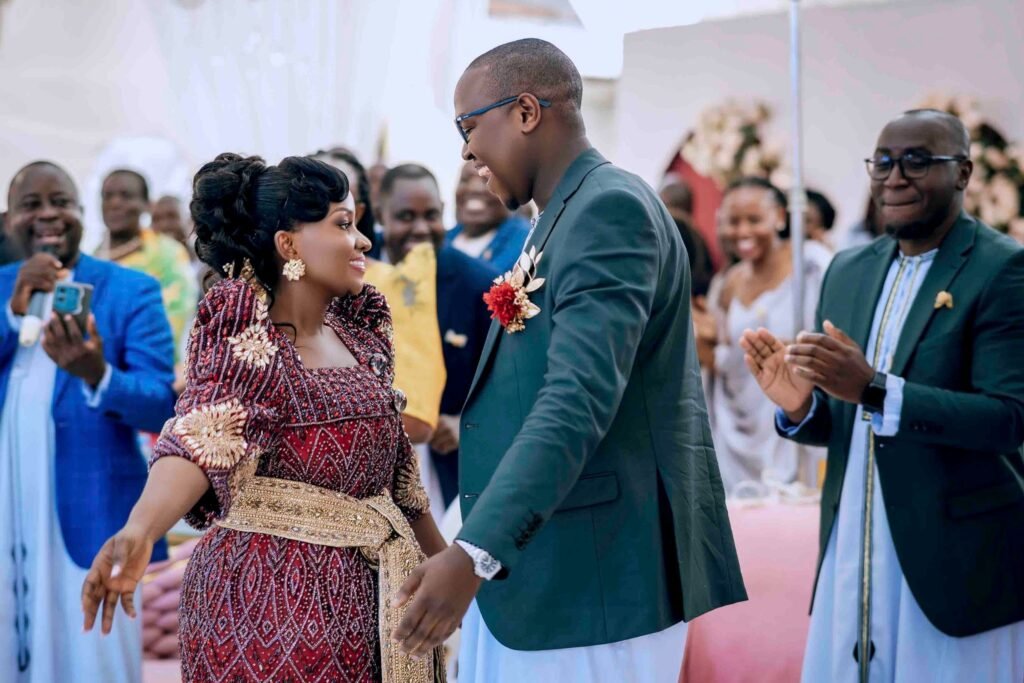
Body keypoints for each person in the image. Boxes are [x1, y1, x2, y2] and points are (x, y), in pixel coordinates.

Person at [391, 38, 746, 681]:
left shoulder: (607, 210)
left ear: (526, 112)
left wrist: (474, 552)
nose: (466, 152)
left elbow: (577, 399)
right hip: (550, 567)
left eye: (469, 128)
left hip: (596, 576)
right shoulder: (563, 214)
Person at [81, 154, 448, 682]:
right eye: (344, 224)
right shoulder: (247, 332)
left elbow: (400, 480)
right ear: (289, 245)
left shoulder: (359, 330)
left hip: (371, 599)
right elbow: (203, 437)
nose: (364, 241)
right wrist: (140, 529)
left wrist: (450, 570)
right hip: (268, 606)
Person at [742, 109, 1024, 682]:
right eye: (883, 162)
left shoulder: (1002, 269)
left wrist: (873, 388)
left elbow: (1008, 419)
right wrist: (800, 406)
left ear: (963, 172)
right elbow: (847, 418)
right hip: (853, 542)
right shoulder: (848, 270)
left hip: (952, 554)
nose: (894, 178)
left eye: (917, 161)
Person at [0, 161, 176, 682]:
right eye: (31, 205)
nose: (48, 214)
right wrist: (13, 313)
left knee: (92, 661)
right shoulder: (3, 288)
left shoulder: (131, 289)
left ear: (82, 212)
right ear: (9, 220)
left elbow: (161, 403)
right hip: (9, 509)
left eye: (61, 202)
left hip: (94, 512)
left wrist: (99, 375)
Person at [375, 163, 497, 508]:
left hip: (446, 470)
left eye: (431, 215)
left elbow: (502, 379)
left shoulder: (478, 284)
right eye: (405, 216)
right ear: (381, 215)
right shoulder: (353, 272)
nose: (420, 229)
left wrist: (464, 425)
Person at [701, 177, 828, 494]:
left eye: (754, 219)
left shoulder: (811, 264)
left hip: (795, 409)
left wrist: (787, 351)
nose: (742, 231)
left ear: (779, 217)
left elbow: (833, 331)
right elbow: (724, 358)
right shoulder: (728, 281)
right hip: (741, 422)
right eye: (733, 222)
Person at [99, 170, 198, 365]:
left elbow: (174, 319)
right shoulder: (93, 256)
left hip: (150, 365)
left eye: (126, 196)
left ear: (146, 204)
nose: (115, 203)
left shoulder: (167, 253)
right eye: (107, 196)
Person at [446, 160, 530, 273]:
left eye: (486, 180)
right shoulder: (444, 239)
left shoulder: (524, 239)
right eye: (465, 180)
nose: (474, 188)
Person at [313, 146, 383, 260]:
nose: (324, 217)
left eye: (340, 209)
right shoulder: (284, 266)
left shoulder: (378, 272)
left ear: (357, 213)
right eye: (314, 205)